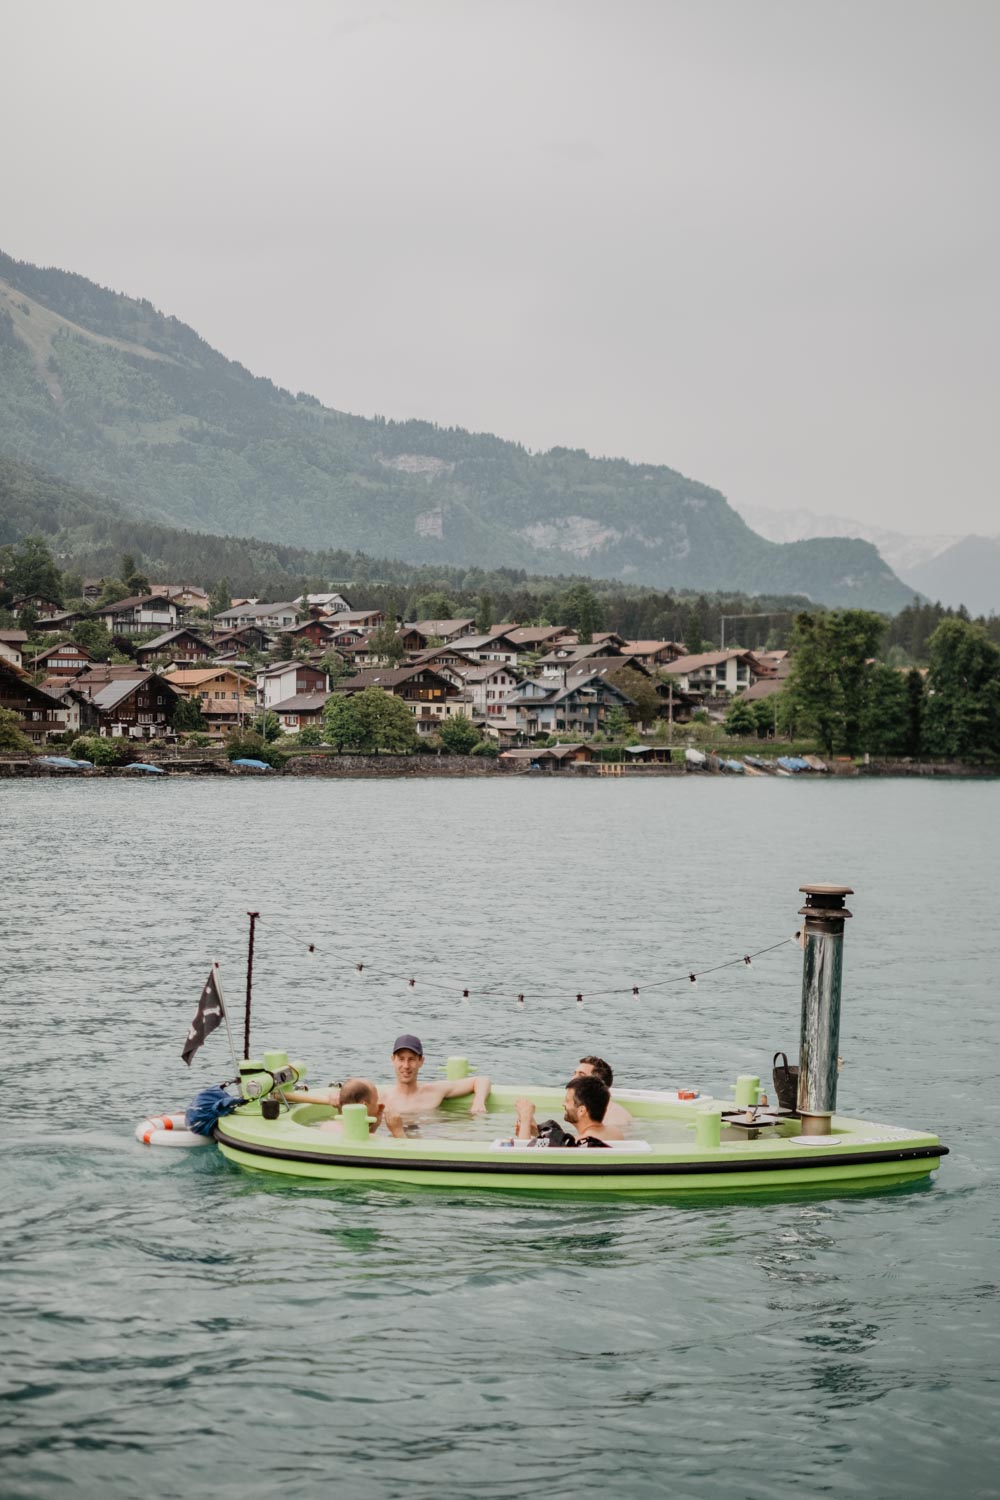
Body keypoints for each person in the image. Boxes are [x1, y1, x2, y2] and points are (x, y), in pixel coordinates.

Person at [379, 1034, 491, 1116]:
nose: (406, 1065)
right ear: (393, 1060)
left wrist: (478, 1103)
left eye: (411, 1059)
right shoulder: (383, 1100)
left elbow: (481, 1080)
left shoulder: (434, 1091)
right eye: (401, 1059)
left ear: (421, 1061)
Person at [514, 1074, 619, 1147]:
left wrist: (525, 1118)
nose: (563, 1104)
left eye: (568, 1101)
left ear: (582, 1110)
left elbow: (522, 1156)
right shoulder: (614, 1132)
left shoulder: (583, 1141)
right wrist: (535, 1131)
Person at [285, 1077, 406, 1138]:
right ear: (363, 1106)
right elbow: (403, 1155)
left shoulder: (327, 1126)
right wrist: (397, 1130)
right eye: (375, 1101)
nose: (379, 1105)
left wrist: (373, 1126)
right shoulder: (367, 1138)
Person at [572, 1055, 631, 1133]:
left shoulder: (615, 1117)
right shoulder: (586, 1108)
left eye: (581, 1075)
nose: (573, 1079)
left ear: (598, 1083)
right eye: (574, 1073)